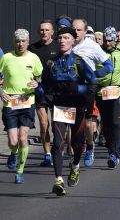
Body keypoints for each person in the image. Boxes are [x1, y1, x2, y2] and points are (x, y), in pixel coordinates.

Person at [41, 27, 97, 196]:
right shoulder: (51, 62)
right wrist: (39, 89)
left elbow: (93, 84)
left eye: (66, 38)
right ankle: (59, 180)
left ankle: (76, 165)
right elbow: (44, 84)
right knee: (58, 144)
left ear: (73, 41)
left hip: (78, 107)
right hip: (60, 107)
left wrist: (77, 88)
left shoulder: (79, 61)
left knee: (76, 144)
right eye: (60, 38)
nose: (62, 41)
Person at [0, 29, 43, 183]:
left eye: (23, 41)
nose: (20, 44)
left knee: (23, 138)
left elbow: (39, 76)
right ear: (14, 41)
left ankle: (20, 171)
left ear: (28, 41)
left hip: (27, 102)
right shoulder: (6, 58)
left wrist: (36, 83)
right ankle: (13, 153)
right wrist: (0, 91)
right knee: (13, 142)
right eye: (18, 41)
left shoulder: (34, 58)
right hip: (10, 103)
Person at [72, 19, 113, 167]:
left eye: (79, 30)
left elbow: (109, 66)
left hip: (86, 88)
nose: (75, 32)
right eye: (73, 29)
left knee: (88, 124)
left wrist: (93, 75)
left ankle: (89, 146)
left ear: (84, 31)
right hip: (68, 90)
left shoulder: (92, 46)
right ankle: (74, 154)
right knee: (71, 123)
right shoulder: (64, 43)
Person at [96, 26, 120, 167]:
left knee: (116, 122)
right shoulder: (98, 52)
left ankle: (114, 153)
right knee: (106, 123)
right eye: (106, 40)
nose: (108, 43)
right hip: (102, 91)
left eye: (111, 40)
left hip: (118, 91)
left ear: (116, 40)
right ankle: (111, 146)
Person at [28, 19, 59, 167]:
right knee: (43, 123)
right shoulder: (33, 48)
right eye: (41, 30)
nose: (44, 32)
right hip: (40, 90)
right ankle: (47, 154)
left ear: (52, 32)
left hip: (57, 91)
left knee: (56, 124)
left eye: (47, 30)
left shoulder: (58, 46)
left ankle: (58, 149)